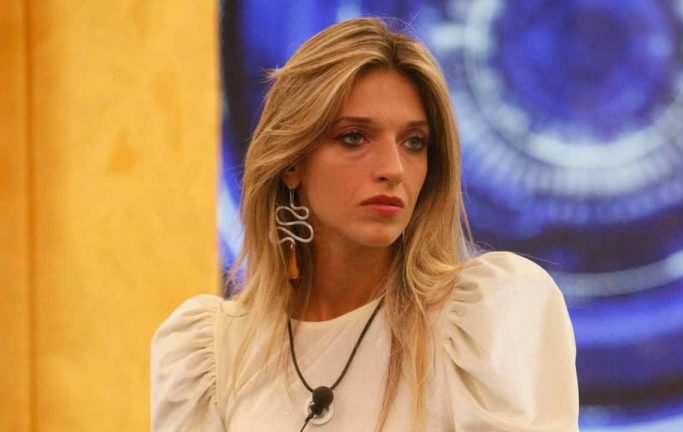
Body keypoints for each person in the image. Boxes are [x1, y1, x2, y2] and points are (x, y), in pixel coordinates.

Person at [150, 17, 578, 432]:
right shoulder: (211, 355)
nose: (393, 169)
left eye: (414, 142)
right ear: (292, 163)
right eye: (353, 137)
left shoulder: (484, 320)